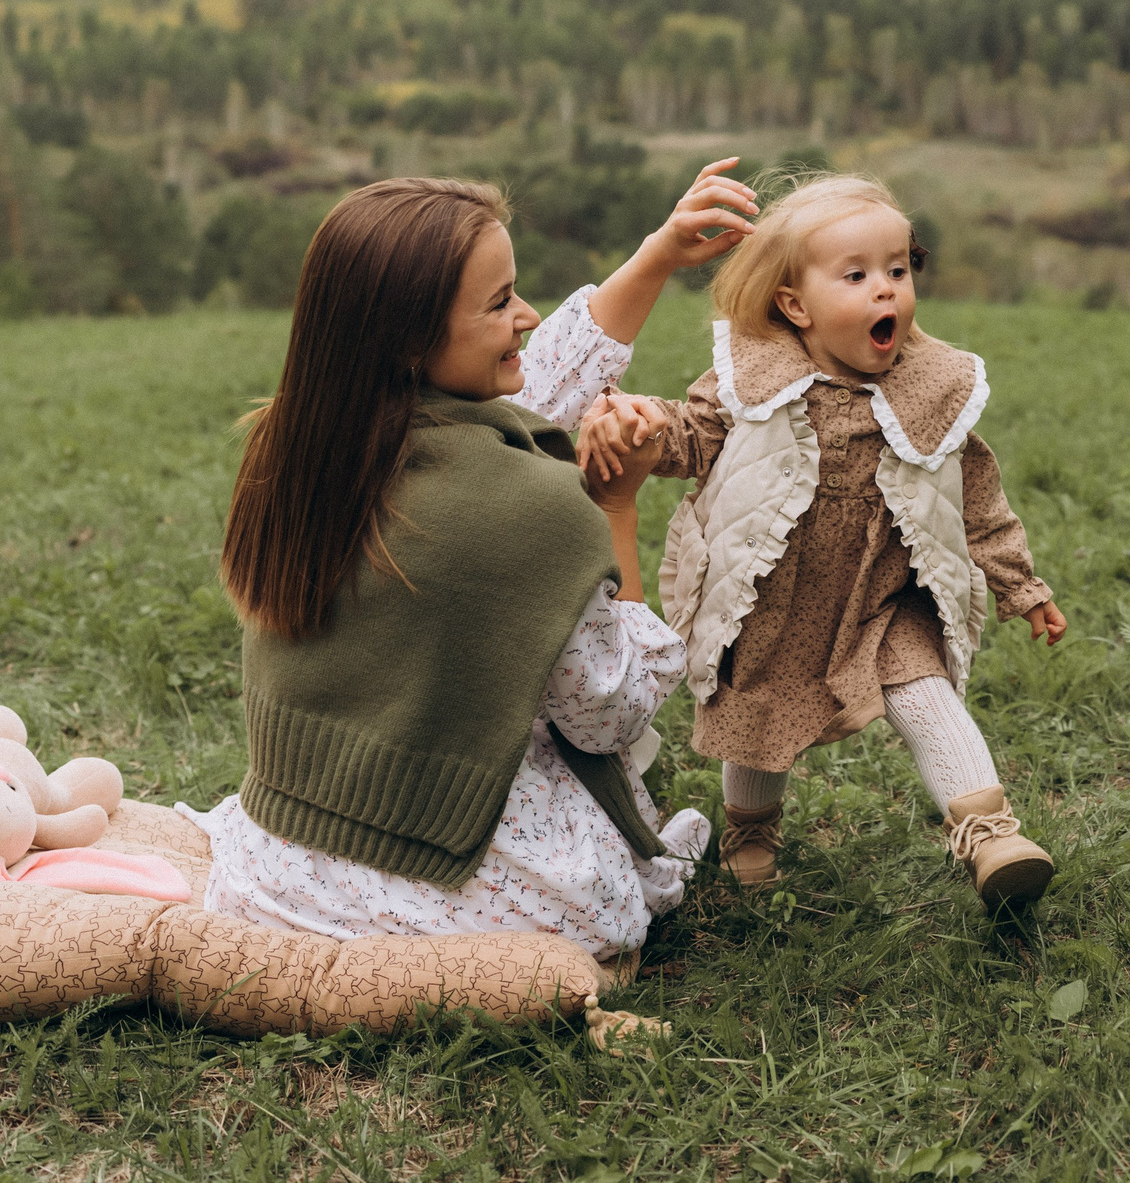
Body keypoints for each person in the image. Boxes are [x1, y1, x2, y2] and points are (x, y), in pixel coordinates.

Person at [181, 162, 755, 961]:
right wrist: (616, 507)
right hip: (436, 878)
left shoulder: (301, 445)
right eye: (499, 302)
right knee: (611, 892)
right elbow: (606, 713)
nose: (527, 314)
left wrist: (657, 255)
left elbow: (539, 379)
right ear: (411, 340)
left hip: (286, 852)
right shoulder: (530, 507)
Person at [569, 174, 1068, 910]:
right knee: (759, 717)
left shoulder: (932, 386)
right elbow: (695, 434)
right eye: (857, 275)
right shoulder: (756, 380)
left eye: (898, 270)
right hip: (773, 598)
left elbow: (977, 498)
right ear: (794, 303)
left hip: (886, 594)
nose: (885, 291)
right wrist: (646, 426)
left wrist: (1021, 585)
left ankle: (990, 833)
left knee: (925, 692)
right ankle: (750, 832)